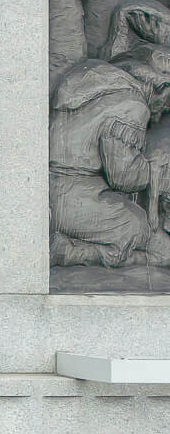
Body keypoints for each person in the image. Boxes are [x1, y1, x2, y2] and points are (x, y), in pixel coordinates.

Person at [50, 44, 170, 269]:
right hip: (71, 197)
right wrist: (156, 171)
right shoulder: (132, 107)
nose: (163, 109)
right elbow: (123, 177)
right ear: (161, 87)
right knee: (137, 227)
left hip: (57, 187)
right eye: (167, 102)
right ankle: (70, 253)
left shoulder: (97, 79)